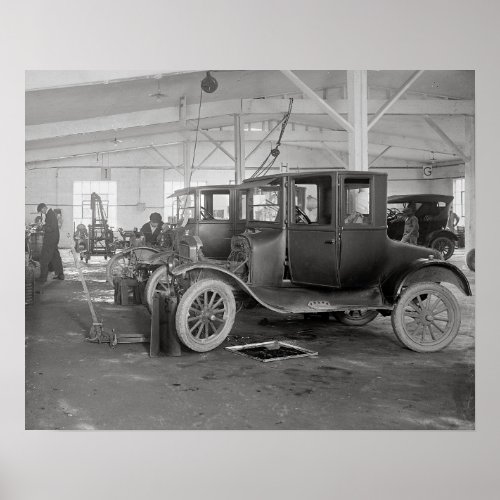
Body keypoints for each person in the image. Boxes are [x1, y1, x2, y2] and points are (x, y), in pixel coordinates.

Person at [36, 203, 64, 281]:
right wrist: (44, 225)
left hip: (50, 239)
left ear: (44, 208)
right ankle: (60, 274)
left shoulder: (50, 214)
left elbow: (51, 228)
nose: (42, 213)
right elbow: (51, 226)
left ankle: (43, 277)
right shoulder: (50, 214)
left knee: (44, 258)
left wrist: (42, 227)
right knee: (56, 257)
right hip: (54, 239)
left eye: (42, 211)